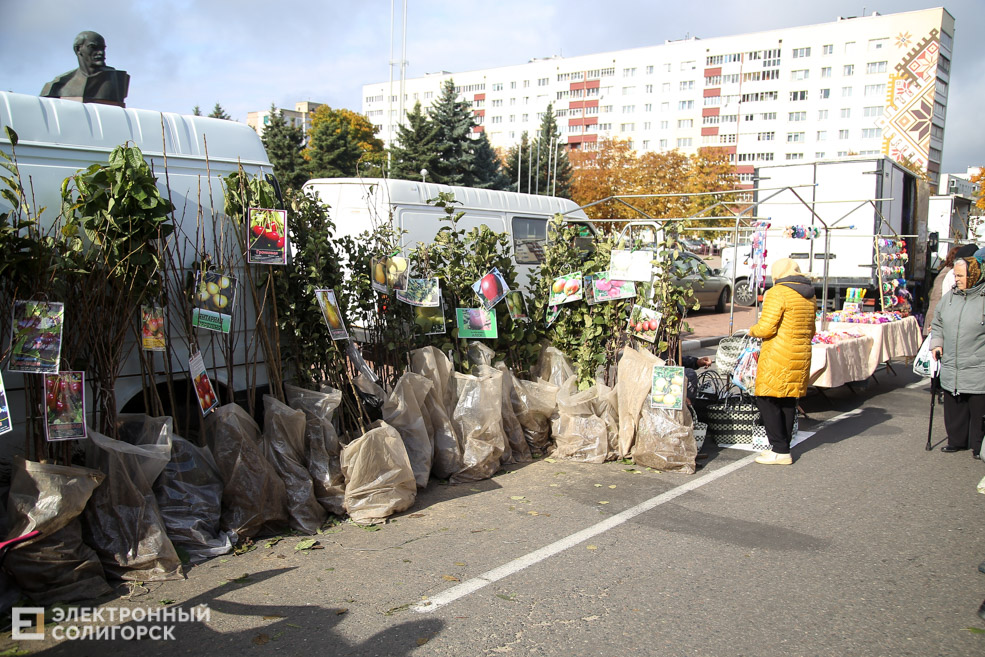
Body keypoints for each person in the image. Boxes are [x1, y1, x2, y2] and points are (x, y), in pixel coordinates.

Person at [747, 258, 817, 465]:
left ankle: (778, 448)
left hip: (778, 352)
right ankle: (783, 448)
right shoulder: (809, 294)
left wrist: (751, 331)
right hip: (800, 353)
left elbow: (766, 328)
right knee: (788, 400)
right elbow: (812, 330)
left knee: (766, 398)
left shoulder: (778, 292)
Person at [929, 256, 985, 459]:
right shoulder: (950, 297)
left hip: (977, 364)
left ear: (973, 275)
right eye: (955, 275)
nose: (956, 279)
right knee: (955, 403)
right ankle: (956, 440)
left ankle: (979, 446)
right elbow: (938, 323)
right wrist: (937, 343)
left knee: (978, 408)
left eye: (960, 275)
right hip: (952, 362)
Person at [40, 31, 129, 106]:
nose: (101, 53)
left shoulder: (116, 79)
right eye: (93, 47)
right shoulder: (59, 85)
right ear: (78, 49)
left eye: (103, 48)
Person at [925, 243, 978, 335]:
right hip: (940, 320)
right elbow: (945, 299)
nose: (957, 278)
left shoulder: (949, 272)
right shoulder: (950, 274)